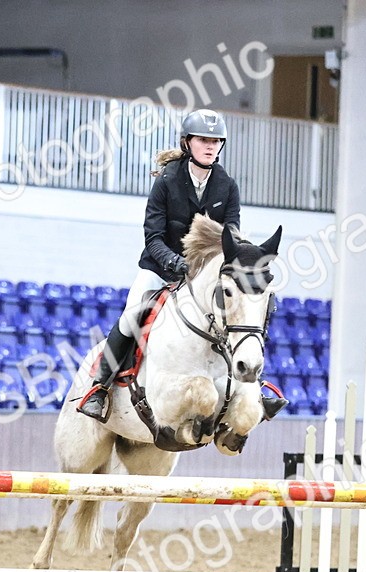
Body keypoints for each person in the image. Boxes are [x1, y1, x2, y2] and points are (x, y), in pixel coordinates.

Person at [78, 109, 284, 423]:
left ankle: (254, 387)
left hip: (204, 277)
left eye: (216, 141)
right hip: (160, 269)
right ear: (187, 142)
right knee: (131, 316)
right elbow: (153, 237)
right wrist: (175, 263)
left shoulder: (227, 186)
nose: (210, 146)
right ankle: (100, 388)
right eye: (204, 140)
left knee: (242, 311)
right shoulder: (167, 181)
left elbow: (231, 238)